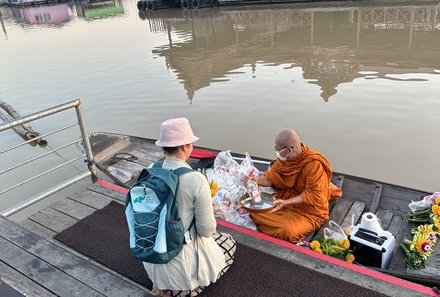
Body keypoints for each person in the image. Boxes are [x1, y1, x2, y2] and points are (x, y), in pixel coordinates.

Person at [144, 118, 236, 297]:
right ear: (185, 146)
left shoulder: (151, 169)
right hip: (182, 262)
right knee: (228, 243)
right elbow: (206, 230)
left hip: (153, 254)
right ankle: (179, 292)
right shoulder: (195, 179)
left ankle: (161, 285)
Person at [248, 129, 342, 243]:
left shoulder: (314, 164)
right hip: (286, 198)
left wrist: (286, 202)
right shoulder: (286, 158)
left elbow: (313, 195)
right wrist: (256, 180)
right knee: (253, 210)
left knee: (287, 232)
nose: (277, 153)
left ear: (289, 149)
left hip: (309, 211)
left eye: (278, 150)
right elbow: (272, 178)